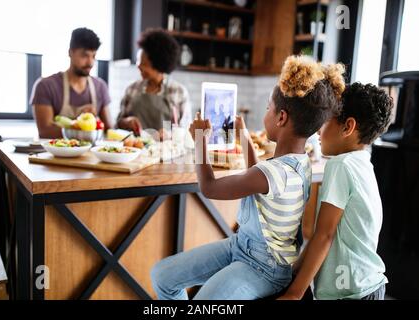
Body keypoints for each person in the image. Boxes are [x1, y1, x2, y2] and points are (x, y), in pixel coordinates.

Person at [150, 56, 345, 300]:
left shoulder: (274, 173)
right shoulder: (300, 162)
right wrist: (243, 138)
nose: (266, 113)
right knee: (162, 276)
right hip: (241, 246)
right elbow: (261, 181)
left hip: (264, 268)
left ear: (281, 118)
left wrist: (200, 139)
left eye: (267, 109)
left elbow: (209, 188)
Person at [278, 83, 393, 300]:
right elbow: (322, 234)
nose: (319, 129)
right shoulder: (362, 163)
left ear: (347, 126)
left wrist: (294, 294)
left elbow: (324, 235)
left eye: (327, 119)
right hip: (369, 285)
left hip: (348, 292)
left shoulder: (341, 166)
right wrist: (293, 273)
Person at [30, 27, 114, 138]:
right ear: (70, 52)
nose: (90, 62)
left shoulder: (100, 87)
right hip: (57, 154)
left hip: (91, 154)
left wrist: (94, 121)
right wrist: (81, 124)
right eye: (84, 55)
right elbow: (45, 131)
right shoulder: (45, 86)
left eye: (93, 56)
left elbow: (109, 129)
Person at [116, 29, 192, 137]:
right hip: (134, 150)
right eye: (138, 61)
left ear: (159, 65)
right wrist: (126, 121)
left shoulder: (178, 92)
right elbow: (118, 123)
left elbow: (186, 130)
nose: (139, 66)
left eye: (144, 63)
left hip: (166, 151)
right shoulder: (132, 89)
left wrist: (169, 135)